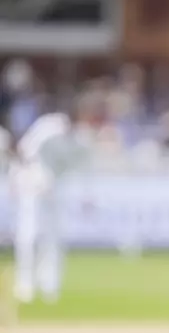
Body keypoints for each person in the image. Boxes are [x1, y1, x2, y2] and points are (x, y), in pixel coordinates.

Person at [10, 94, 104, 304]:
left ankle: (50, 285)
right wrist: (29, 178)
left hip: (57, 190)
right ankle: (24, 284)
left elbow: (86, 169)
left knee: (54, 238)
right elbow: (25, 150)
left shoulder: (81, 140)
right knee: (29, 235)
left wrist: (87, 196)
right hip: (33, 186)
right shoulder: (47, 128)